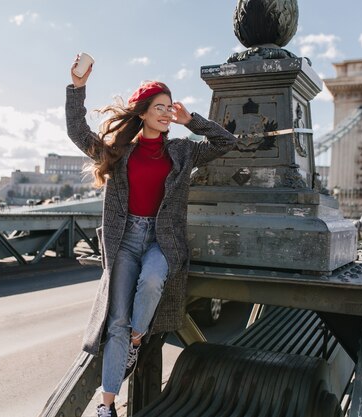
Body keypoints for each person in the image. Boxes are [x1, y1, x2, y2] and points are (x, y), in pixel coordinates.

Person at [66, 55, 237, 417]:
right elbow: (78, 132)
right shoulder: (119, 152)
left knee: (153, 280)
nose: (165, 113)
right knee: (115, 321)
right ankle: (106, 405)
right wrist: (77, 88)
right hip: (126, 238)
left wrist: (192, 121)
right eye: (158, 107)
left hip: (162, 240)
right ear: (142, 113)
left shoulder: (182, 151)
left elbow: (226, 143)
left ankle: (137, 336)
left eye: (168, 107)